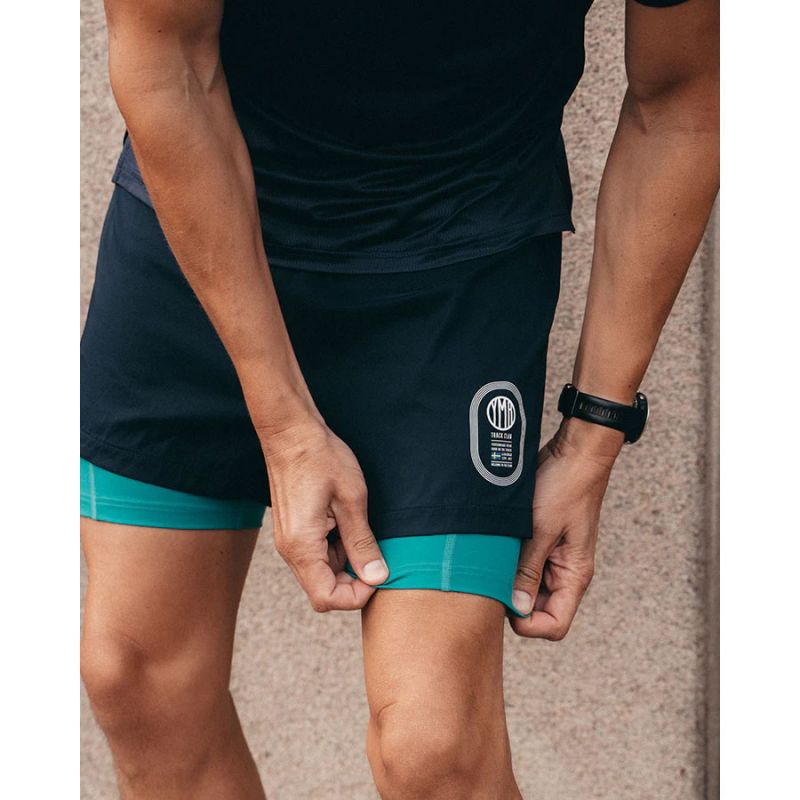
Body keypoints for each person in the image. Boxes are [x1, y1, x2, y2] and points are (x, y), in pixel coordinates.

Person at [79, 0, 719, 797]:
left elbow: (684, 97)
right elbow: (165, 61)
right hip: (202, 227)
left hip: (458, 254)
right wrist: (286, 425)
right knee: (135, 676)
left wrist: (594, 435)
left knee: (434, 748)